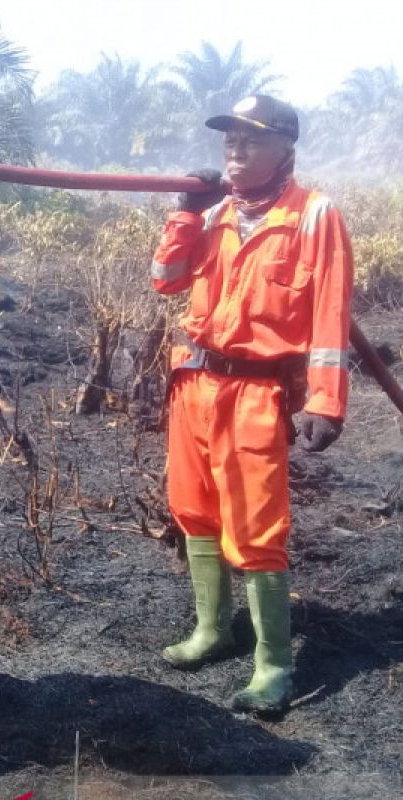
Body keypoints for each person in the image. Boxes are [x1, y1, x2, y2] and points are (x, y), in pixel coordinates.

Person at [150, 94, 353, 715]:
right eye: (229, 138)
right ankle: (214, 629)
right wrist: (186, 213)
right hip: (195, 381)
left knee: (258, 527)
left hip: (258, 392)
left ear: (285, 148)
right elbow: (166, 278)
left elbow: (331, 317)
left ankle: (274, 665)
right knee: (193, 509)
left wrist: (326, 400)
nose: (235, 148)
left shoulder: (315, 217)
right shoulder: (214, 214)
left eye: (252, 138)